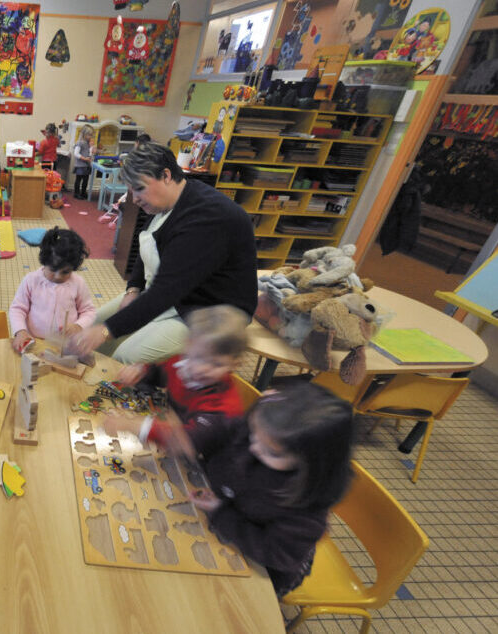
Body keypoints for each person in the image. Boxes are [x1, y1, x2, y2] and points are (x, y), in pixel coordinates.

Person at [104, 382, 354, 597]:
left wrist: (222, 513)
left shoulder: (306, 509)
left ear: (310, 463)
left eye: (271, 452)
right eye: (255, 434)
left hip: (265, 567)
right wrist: (164, 433)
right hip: (225, 514)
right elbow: (219, 430)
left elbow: (274, 552)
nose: (254, 447)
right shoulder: (264, 431)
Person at [70, 142, 257, 364]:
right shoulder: (166, 202)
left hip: (208, 313)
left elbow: (164, 293)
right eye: (131, 191)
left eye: (139, 188)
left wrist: (105, 332)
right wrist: (133, 289)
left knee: (126, 356)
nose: (135, 198)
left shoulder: (207, 218)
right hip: (174, 293)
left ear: (166, 175)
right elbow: (146, 245)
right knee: (91, 327)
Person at [114, 305, 249, 439]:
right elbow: (158, 372)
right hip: (168, 423)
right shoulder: (180, 362)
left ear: (234, 365)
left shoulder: (223, 409)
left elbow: (190, 439)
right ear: (188, 345)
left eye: (217, 364)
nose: (202, 369)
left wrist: (138, 426)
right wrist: (141, 371)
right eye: (198, 357)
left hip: (199, 453)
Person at [9, 227, 95, 352]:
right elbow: (17, 308)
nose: (58, 276)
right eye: (53, 270)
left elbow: (89, 311)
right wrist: (20, 331)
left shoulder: (78, 283)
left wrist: (79, 325)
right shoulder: (31, 280)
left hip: (65, 345)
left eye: (65, 272)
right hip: (33, 340)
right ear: (44, 262)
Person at [99, 133, 152, 229]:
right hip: (143, 188)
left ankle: (124, 224)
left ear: (137, 143)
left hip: (137, 185)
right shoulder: (148, 155)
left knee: (129, 203)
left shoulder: (136, 155)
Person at [72, 126, 95, 200]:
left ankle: (83, 192)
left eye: (91, 135)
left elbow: (90, 154)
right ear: (84, 134)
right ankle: (76, 193)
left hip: (87, 165)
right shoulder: (80, 143)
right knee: (78, 180)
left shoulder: (89, 143)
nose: (90, 137)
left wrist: (91, 147)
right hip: (80, 165)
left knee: (85, 180)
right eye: (89, 135)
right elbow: (76, 153)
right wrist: (84, 158)